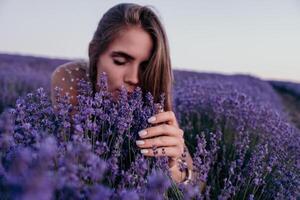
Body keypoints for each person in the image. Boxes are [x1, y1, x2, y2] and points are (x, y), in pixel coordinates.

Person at [50, 3, 196, 185]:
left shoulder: (150, 94)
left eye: (145, 67)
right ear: (93, 54)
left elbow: (197, 183)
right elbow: (79, 160)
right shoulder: (72, 78)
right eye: (120, 61)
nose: (134, 78)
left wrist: (174, 171)